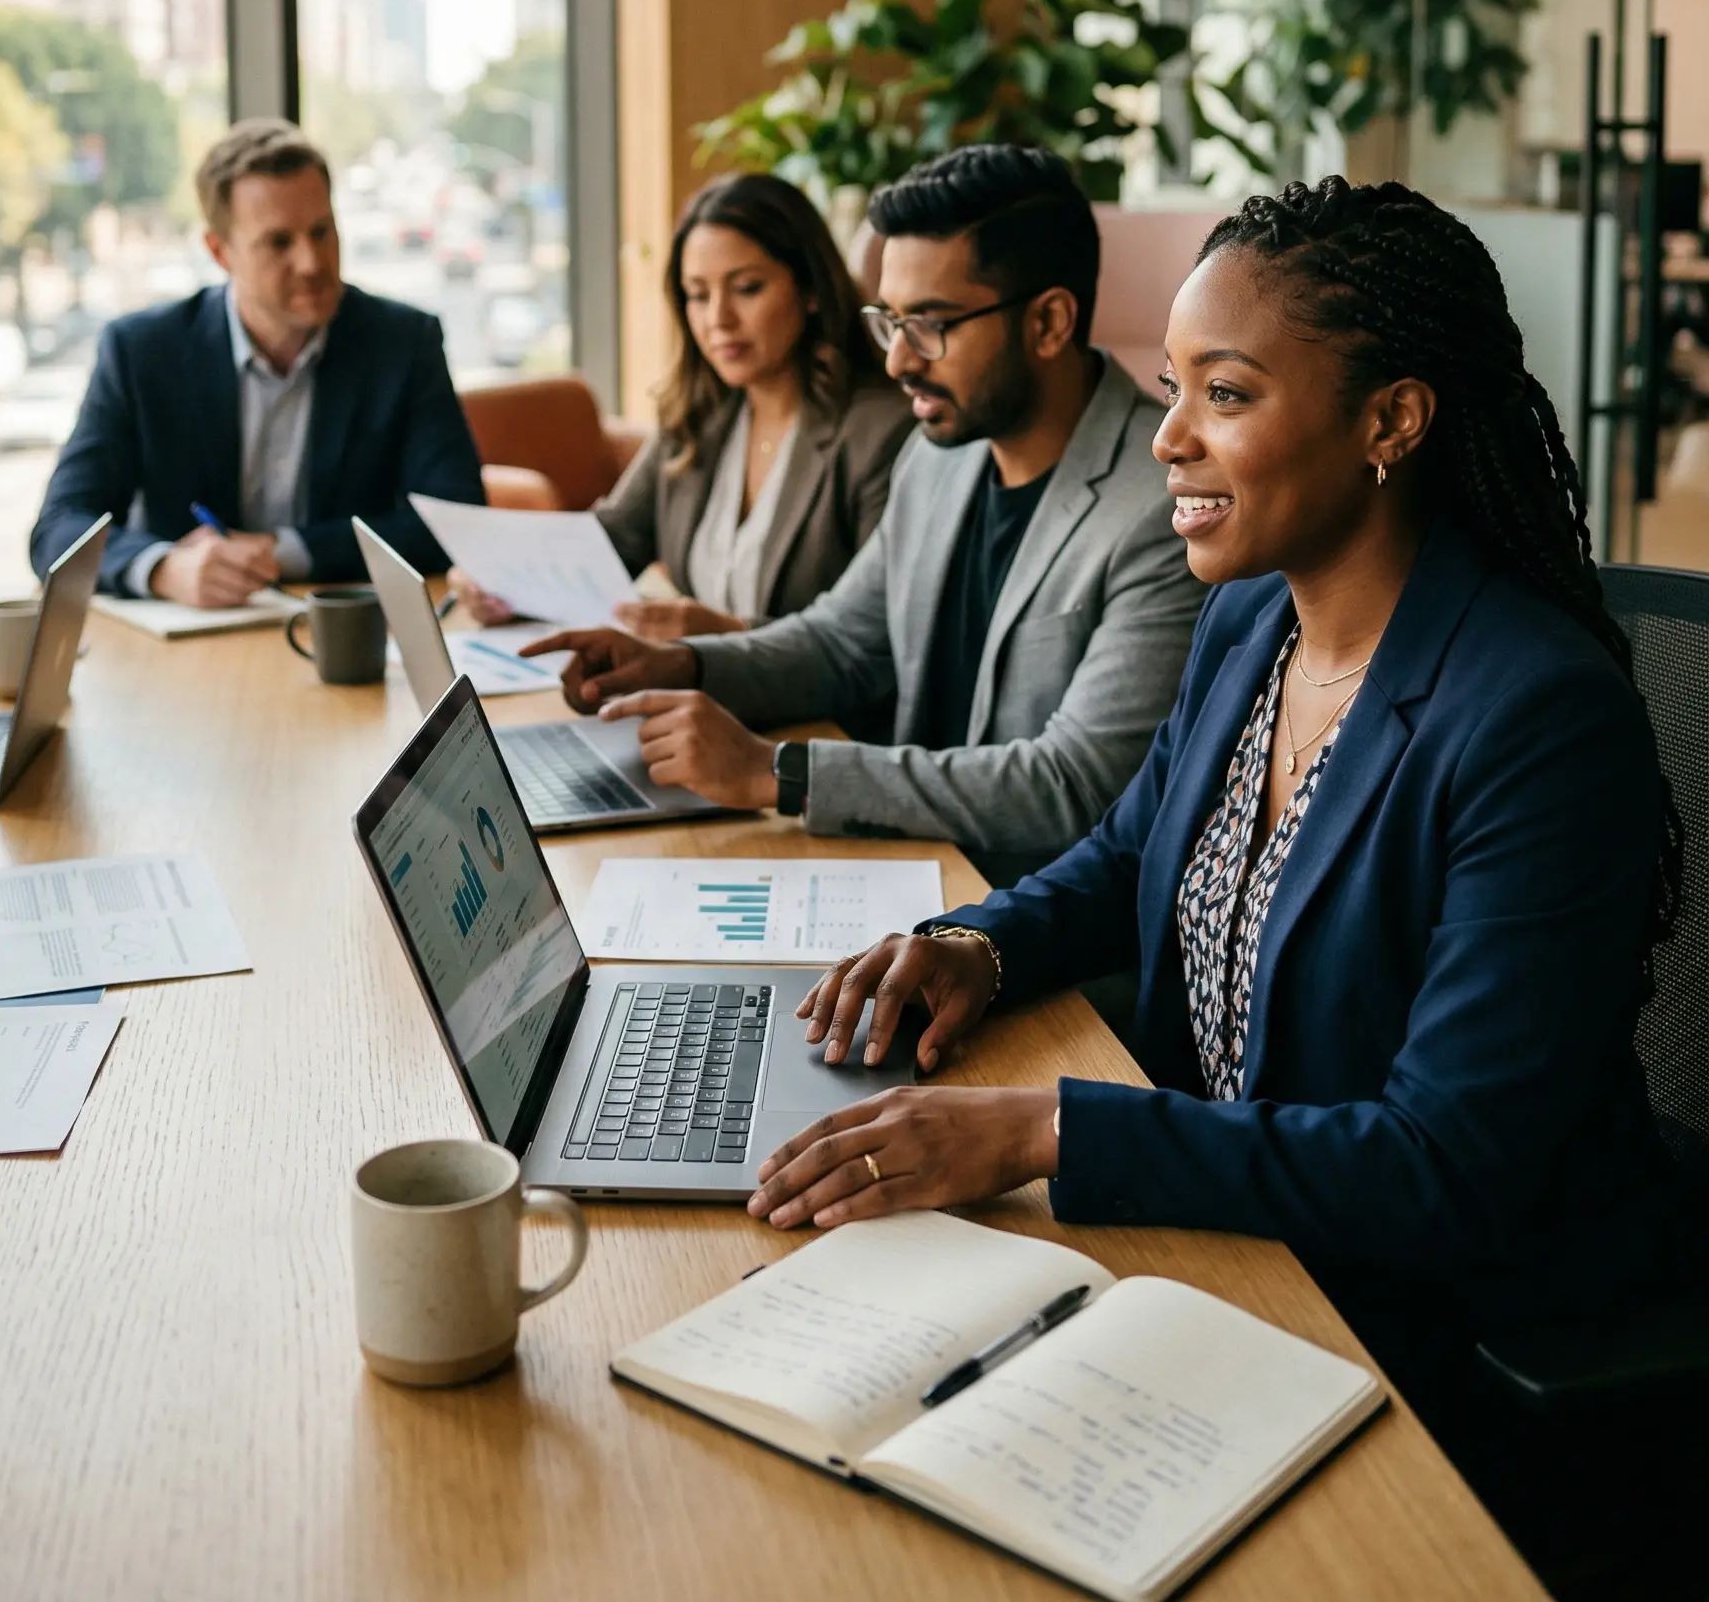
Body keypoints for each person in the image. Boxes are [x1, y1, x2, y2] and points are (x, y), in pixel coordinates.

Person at [744, 177, 1686, 1500]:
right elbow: (1131, 854)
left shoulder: (1537, 720)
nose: (1165, 438)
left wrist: (1043, 1134)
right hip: (1219, 1245)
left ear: (1391, 422)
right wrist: (973, 947)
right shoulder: (1258, 621)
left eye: (1224, 394)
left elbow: (1442, 1170)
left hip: (1434, 1327)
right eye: (1171, 386)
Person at [531, 146, 1203, 886]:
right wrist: (685, 664)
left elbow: (1071, 784)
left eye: (931, 325)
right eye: (891, 321)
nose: (897, 363)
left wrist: (779, 772)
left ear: (1048, 322)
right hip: (907, 866)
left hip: (1035, 926)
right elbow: (842, 643)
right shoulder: (939, 455)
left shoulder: (1159, 509)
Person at [30, 119, 484, 603]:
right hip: (187, 645)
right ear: (219, 251)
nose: (311, 262)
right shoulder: (142, 352)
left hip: (344, 635)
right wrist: (164, 568)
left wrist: (283, 551)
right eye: (279, 243)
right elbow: (60, 528)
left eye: (321, 231)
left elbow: (456, 520)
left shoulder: (403, 343)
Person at [460, 173, 911, 642]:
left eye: (747, 288)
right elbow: (613, 541)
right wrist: (499, 578)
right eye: (697, 295)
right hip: (690, 700)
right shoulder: (701, 412)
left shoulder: (880, 434)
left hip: (809, 715)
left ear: (811, 290)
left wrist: (730, 634)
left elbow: (874, 638)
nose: (718, 319)